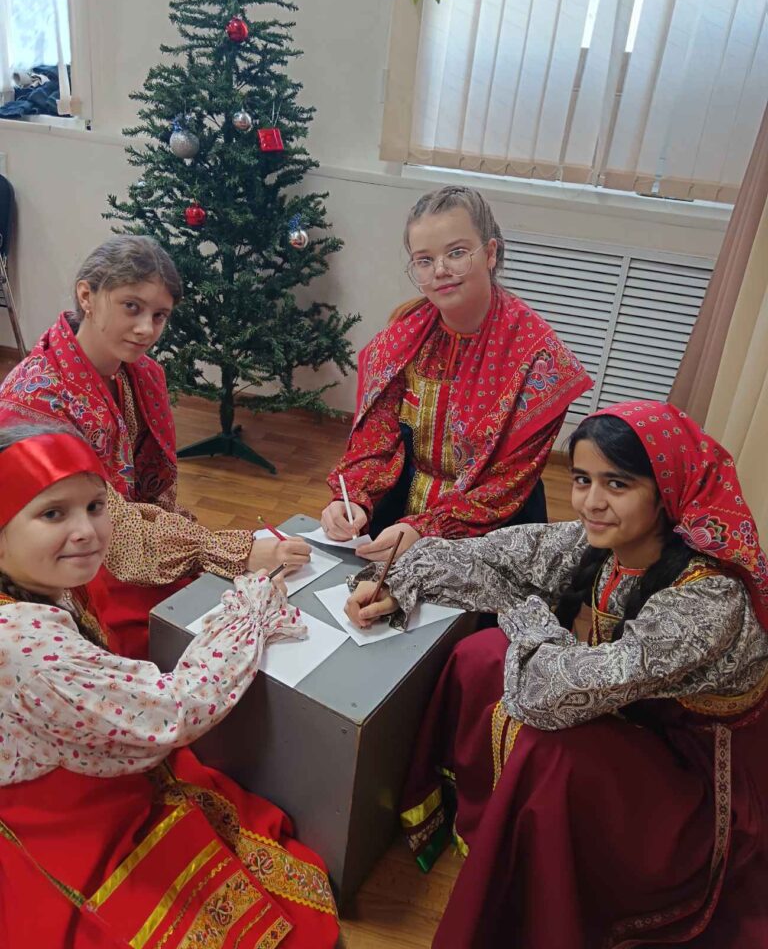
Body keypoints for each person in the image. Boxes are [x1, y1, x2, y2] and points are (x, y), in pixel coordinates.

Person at [346, 400, 768, 947]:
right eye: (583, 479)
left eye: (617, 484)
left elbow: (550, 694)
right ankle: (488, 824)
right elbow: (487, 555)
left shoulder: (708, 600)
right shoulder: (603, 543)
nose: (591, 502)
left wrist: (522, 612)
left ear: (668, 491)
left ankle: (540, 894)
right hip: (628, 708)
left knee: (548, 747)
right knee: (481, 658)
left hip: (696, 769)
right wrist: (395, 583)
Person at [0, 422, 338, 948]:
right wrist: (248, 617)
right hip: (63, 817)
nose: (87, 530)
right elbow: (175, 709)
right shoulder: (29, 650)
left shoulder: (35, 584)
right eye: (52, 514)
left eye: (95, 506)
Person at [0, 235, 310, 657]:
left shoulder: (141, 374)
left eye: (159, 315)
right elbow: (102, 521)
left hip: (122, 538)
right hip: (66, 564)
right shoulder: (35, 397)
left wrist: (213, 550)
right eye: (132, 306)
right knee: (194, 624)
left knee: (227, 604)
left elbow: (151, 499)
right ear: (87, 296)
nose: (146, 329)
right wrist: (232, 551)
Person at [322, 185, 592, 563]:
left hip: (492, 529)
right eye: (424, 259)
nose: (441, 270)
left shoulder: (538, 359)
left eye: (457, 253)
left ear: (491, 253)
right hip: (404, 508)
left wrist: (427, 528)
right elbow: (376, 441)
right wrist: (351, 497)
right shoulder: (403, 339)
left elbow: (505, 485)